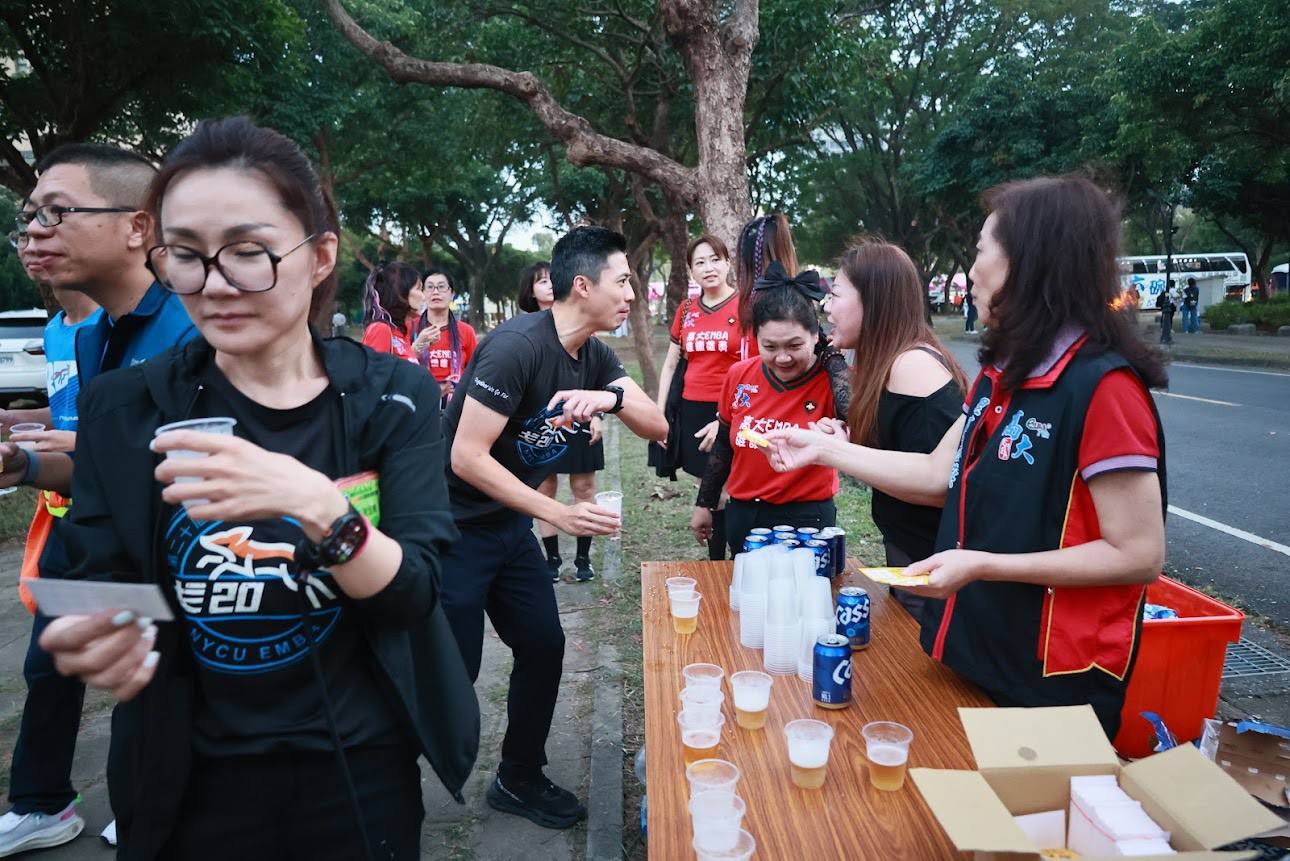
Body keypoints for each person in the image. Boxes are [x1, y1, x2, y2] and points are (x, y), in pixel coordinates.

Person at [35, 117, 479, 860]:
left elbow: (414, 593)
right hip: (182, 776)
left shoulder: (390, 396)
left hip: (357, 770)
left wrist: (319, 507)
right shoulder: (126, 406)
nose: (215, 284)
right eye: (185, 256)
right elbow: (91, 574)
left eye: (248, 252)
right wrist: (97, 627)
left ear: (319, 256)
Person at [763, 175, 1167, 737]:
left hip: (1053, 672)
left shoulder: (1103, 388)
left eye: (981, 251)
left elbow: (1139, 553)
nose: (971, 271)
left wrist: (983, 565)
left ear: (1029, 262)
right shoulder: (1003, 376)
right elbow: (937, 474)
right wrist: (825, 448)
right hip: (978, 643)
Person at [0, 142, 198, 857]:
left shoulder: (195, 327)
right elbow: (107, 464)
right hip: (98, 544)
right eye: (29, 216)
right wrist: (23, 464)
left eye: (57, 212)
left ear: (139, 227)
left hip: (186, 577)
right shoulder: (92, 339)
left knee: (160, 699)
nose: (34, 232)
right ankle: (44, 800)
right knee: (53, 662)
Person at [440, 226, 666, 829]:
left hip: (507, 526)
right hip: (453, 529)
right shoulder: (515, 349)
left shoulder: (594, 354)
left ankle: (518, 776)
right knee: (452, 673)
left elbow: (658, 426)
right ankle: (378, 777)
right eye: (624, 282)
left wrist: (611, 400)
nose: (633, 294)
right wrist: (557, 514)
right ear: (583, 285)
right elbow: (466, 457)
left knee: (543, 644)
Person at [826, 240, 968, 617]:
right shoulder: (889, 364)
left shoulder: (912, 366)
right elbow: (904, 457)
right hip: (913, 558)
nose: (827, 306)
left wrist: (836, 453)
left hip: (937, 571)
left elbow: (941, 485)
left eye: (835, 294)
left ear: (873, 300)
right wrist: (849, 444)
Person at [691, 259, 849, 556]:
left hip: (808, 518)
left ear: (816, 336)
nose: (783, 358)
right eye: (770, 346)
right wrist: (705, 503)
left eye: (794, 345)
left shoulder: (831, 380)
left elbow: (858, 420)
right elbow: (724, 444)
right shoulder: (739, 375)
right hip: (745, 513)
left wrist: (831, 356)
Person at [655, 234, 754, 560]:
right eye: (699, 262)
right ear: (691, 270)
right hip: (692, 409)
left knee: (727, 488)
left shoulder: (745, 307)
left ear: (727, 263)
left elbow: (754, 369)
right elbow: (671, 364)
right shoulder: (686, 310)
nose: (708, 268)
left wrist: (727, 420)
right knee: (707, 488)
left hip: (731, 410)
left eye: (715, 259)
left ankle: (735, 560)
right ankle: (716, 562)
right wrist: (659, 413)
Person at [519, 261, 607, 582]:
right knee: (544, 489)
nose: (548, 285)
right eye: (540, 281)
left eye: (551, 279)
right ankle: (552, 559)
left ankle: (583, 559)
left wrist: (596, 414)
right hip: (540, 422)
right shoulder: (522, 331)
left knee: (584, 487)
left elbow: (597, 374)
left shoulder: (582, 325)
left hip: (580, 415)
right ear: (530, 291)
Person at [413, 268, 477, 406]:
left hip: (455, 405)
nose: (435, 292)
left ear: (452, 294)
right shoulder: (410, 327)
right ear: (423, 293)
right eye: (430, 287)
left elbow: (474, 371)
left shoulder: (466, 331)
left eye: (441, 287)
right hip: (417, 403)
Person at [360, 262, 424, 362]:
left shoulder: (403, 331)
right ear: (400, 292)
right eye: (419, 289)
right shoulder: (380, 329)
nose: (423, 297)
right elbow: (375, 370)